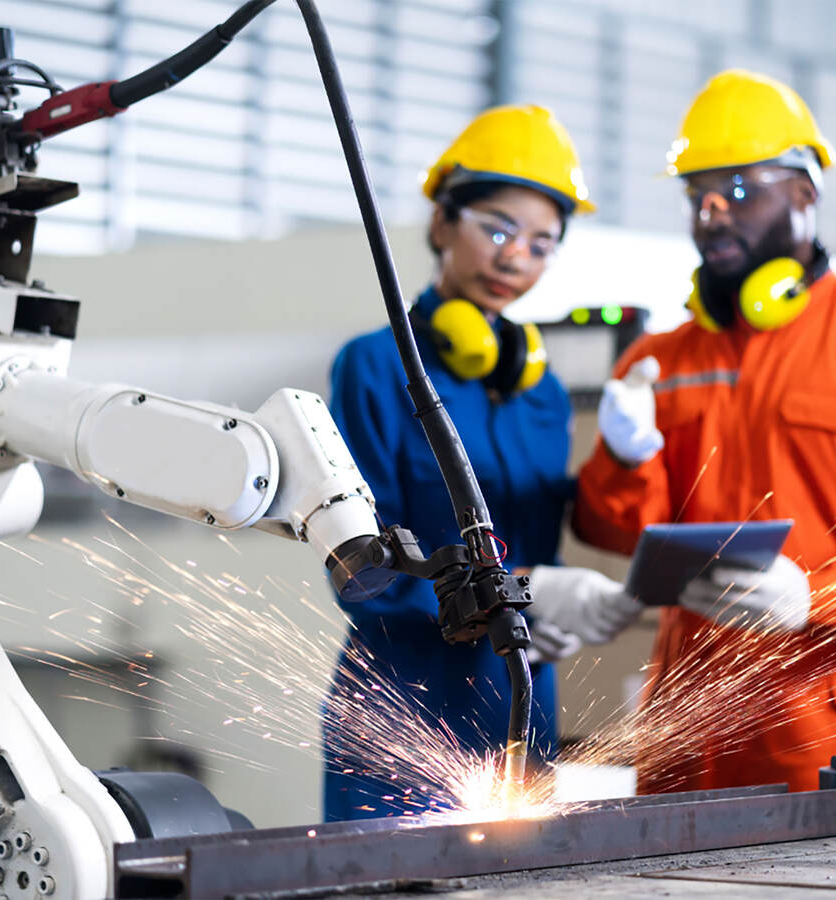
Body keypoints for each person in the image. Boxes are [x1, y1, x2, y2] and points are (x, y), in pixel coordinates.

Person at [573, 70, 836, 793]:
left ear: (805, 192)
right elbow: (614, 531)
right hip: (687, 728)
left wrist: (818, 598)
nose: (710, 214)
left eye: (737, 190)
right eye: (695, 194)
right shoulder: (658, 361)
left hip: (833, 728)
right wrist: (622, 455)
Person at [323, 105, 637, 821]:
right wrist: (512, 594)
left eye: (540, 243)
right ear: (441, 223)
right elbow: (357, 571)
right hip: (399, 711)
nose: (514, 258)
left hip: (518, 709)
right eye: (496, 228)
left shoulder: (544, 392)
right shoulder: (375, 367)